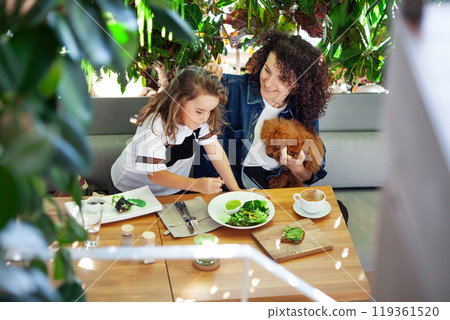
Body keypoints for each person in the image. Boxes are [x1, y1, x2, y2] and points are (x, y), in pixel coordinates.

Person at [195, 30, 332, 190]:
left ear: (298, 84)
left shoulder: (304, 113)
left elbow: (312, 175)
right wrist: (202, 81)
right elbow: (187, 105)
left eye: (282, 79)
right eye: (267, 70)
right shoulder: (229, 88)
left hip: (270, 188)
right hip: (221, 188)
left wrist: (296, 167)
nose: (268, 83)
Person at [110, 66, 246, 196]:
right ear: (178, 101)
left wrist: (235, 189)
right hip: (130, 188)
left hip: (170, 190)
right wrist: (197, 185)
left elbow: (216, 152)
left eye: (210, 111)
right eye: (199, 111)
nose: (205, 117)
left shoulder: (200, 120)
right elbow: (155, 174)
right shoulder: (154, 124)